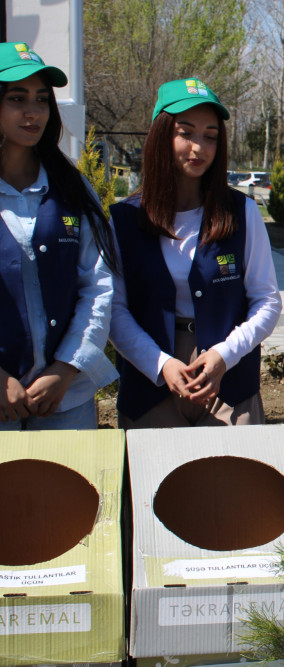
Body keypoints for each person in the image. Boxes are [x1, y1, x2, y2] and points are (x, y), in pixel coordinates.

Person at [109, 78, 281, 428]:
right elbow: (113, 309)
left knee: (233, 480)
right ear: (161, 136)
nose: (198, 147)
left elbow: (267, 300)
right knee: (156, 479)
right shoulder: (125, 219)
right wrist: (161, 365)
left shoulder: (242, 213)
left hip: (229, 380)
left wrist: (223, 355)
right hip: (150, 380)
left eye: (210, 136)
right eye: (185, 133)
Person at [0, 42, 118, 430]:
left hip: (65, 401)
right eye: (17, 98)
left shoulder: (72, 187)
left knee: (66, 491)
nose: (33, 111)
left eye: (41, 99)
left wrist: (66, 368)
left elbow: (98, 284)